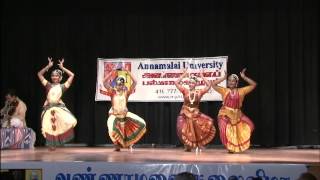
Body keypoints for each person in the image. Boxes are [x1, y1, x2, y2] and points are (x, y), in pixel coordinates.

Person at [212, 68, 257, 153]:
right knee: (224, 130)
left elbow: (254, 85)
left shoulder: (241, 91)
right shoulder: (224, 90)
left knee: (250, 125)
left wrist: (244, 77)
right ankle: (230, 147)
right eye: (229, 80)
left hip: (237, 114)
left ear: (236, 83)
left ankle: (236, 145)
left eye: (233, 81)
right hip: (224, 113)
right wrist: (223, 77)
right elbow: (213, 85)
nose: (230, 82)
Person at [37, 57, 77, 150]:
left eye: (57, 76)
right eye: (53, 76)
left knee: (58, 126)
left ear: (60, 77)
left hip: (58, 108)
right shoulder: (48, 85)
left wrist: (63, 68)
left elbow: (72, 75)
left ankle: (55, 143)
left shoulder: (63, 87)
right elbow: (39, 74)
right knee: (47, 126)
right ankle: (51, 144)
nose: (54, 77)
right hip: (48, 108)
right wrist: (48, 66)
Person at [103, 68, 146, 151]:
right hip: (114, 115)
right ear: (115, 84)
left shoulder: (126, 92)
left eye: (121, 84)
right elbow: (104, 82)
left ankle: (129, 144)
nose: (120, 86)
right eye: (118, 84)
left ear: (123, 85)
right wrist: (111, 72)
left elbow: (135, 82)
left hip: (125, 115)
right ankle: (117, 145)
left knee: (141, 123)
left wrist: (127, 72)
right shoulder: (112, 92)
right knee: (111, 127)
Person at [175, 69, 216, 152]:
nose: (190, 84)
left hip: (195, 114)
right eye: (189, 82)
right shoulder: (185, 91)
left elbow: (208, 86)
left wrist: (202, 76)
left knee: (196, 129)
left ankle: (195, 144)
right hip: (185, 113)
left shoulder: (199, 92)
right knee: (183, 129)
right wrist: (184, 75)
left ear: (196, 84)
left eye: (192, 83)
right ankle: (187, 145)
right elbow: (176, 83)